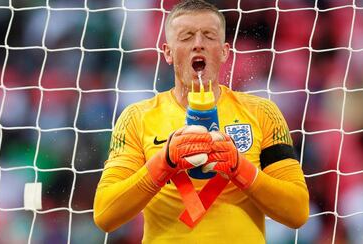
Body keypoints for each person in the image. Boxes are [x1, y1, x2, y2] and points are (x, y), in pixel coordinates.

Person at [93, 0, 309, 243]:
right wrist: (163, 164)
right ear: (168, 52)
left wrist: (240, 168)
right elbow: (104, 214)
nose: (198, 44)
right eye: (186, 37)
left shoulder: (262, 112)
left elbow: (298, 212)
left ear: (225, 51)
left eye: (209, 36)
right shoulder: (137, 118)